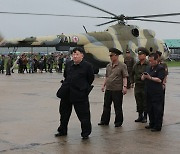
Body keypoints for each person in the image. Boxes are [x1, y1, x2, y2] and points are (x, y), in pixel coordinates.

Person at [55, 47, 94, 139]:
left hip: (79, 94)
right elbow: (65, 75)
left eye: (77, 54)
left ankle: (85, 133)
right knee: (64, 114)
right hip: (67, 93)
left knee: (84, 115)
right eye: (73, 54)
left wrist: (82, 87)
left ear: (82, 55)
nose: (75, 56)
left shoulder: (87, 66)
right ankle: (62, 130)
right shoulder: (69, 64)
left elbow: (90, 79)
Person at [98, 48, 128, 127]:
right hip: (109, 89)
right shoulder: (108, 66)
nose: (110, 57)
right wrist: (103, 85)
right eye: (110, 56)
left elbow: (125, 77)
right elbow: (107, 76)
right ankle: (104, 120)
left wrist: (125, 87)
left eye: (111, 55)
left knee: (117, 106)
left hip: (117, 89)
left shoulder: (122, 66)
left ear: (116, 56)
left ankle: (118, 122)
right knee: (106, 106)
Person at [142, 53, 165, 132]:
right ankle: (152, 123)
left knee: (157, 109)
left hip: (156, 92)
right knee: (149, 108)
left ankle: (157, 125)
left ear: (156, 60)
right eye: (149, 61)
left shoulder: (160, 68)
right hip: (148, 91)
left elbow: (159, 80)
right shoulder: (148, 68)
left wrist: (150, 77)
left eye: (152, 61)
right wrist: (144, 76)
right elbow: (144, 78)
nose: (150, 62)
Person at [131, 47, 149, 123]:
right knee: (138, 101)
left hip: (145, 85)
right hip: (138, 86)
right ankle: (140, 116)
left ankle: (145, 117)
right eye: (138, 54)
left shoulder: (148, 64)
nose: (139, 56)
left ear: (145, 55)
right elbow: (131, 74)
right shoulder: (136, 65)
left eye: (141, 54)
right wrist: (132, 82)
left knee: (145, 101)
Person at [156, 51, 168, 116]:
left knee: (161, 100)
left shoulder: (163, 64)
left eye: (157, 56)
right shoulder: (153, 63)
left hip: (161, 84)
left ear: (159, 56)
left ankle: (160, 114)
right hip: (155, 84)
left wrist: (163, 84)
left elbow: (165, 75)